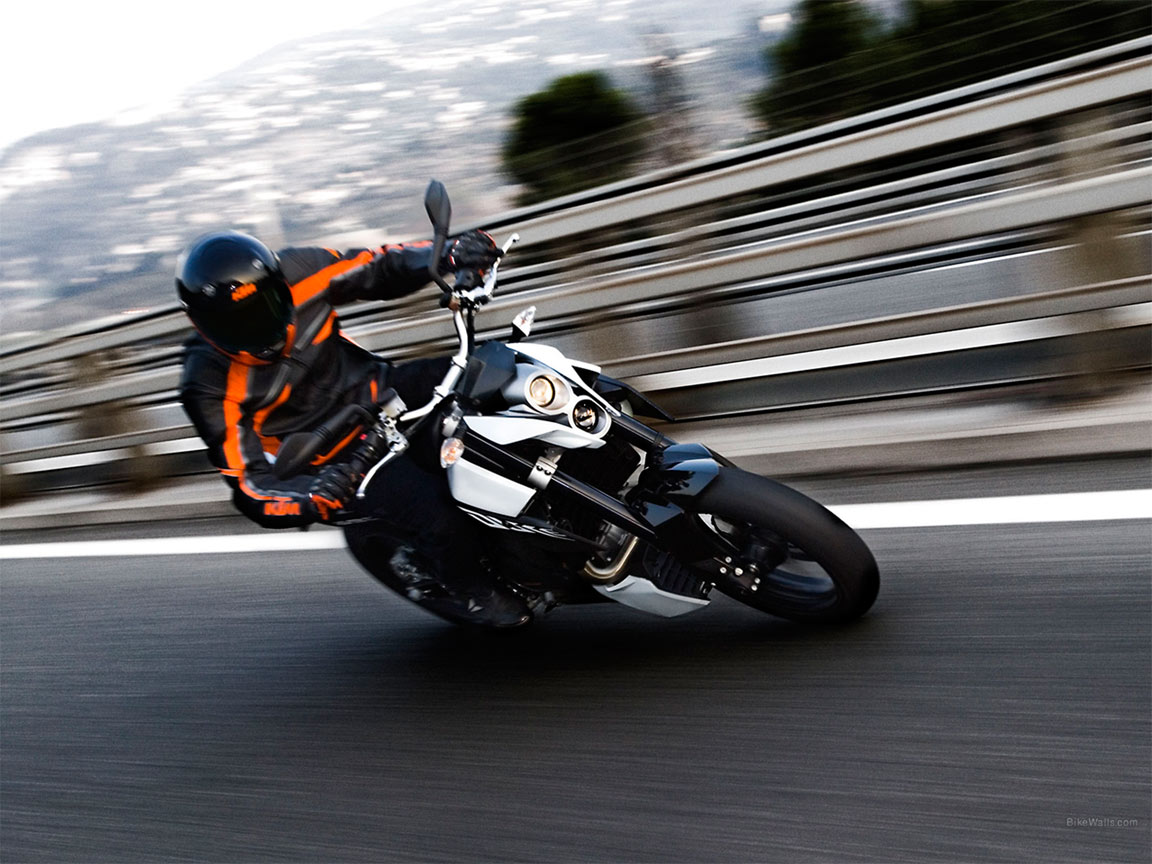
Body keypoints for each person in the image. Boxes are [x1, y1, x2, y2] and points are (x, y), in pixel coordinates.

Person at [177, 228, 532, 628]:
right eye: (237, 325)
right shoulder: (206, 381)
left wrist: (452, 252)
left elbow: (379, 265)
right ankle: (473, 592)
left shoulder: (302, 269)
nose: (258, 330)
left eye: (265, 307)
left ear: (279, 282)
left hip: (384, 391)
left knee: (505, 370)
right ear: (202, 327)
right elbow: (249, 482)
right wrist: (310, 497)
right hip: (336, 457)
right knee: (434, 512)